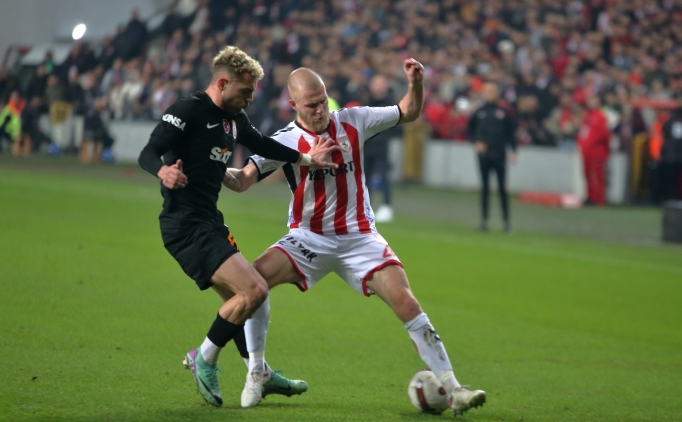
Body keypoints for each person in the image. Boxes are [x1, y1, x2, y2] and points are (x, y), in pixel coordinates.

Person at [222, 62, 487, 416]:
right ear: (293, 105)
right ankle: (257, 371)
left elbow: (408, 111)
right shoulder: (284, 141)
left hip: (360, 237)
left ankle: (455, 390)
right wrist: (211, 166)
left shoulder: (354, 119)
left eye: (323, 101)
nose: (320, 110)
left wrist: (415, 83)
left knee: (407, 302)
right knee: (253, 284)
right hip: (308, 238)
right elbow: (242, 180)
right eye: (311, 105)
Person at [137, 46, 339, 408]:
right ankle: (203, 358)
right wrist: (163, 171)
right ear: (222, 83)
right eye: (245, 91)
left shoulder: (234, 119)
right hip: (184, 224)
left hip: (209, 221)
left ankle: (259, 372)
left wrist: (307, 159)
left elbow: (263, 144)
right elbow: (148, 152)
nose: (250, 98)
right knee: (255, 290)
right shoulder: (188, 109)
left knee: (239, 301)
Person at [467, 82, 517, 233]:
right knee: (485, 188)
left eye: (492, 91)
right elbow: (470, 130)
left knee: (502, 189)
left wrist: (513, 151)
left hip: (500, 153)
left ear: (497, 93)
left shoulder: (504, 111)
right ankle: (484, 221)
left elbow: (511, 132)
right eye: (487, 91)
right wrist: (476, 142)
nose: (490, 94)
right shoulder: (479, 111)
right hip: (484, 154)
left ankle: (506, 222)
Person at [364, 74, 398, 222]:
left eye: (380, 84)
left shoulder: (390, 104)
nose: (377, 87)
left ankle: (386, 206)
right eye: (375, 84)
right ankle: (366, 207)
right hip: (366, 146)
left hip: (381, 147)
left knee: (383, 176)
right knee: (365, 179)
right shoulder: (367, 103)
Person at [577, 96, 610, 206]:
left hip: (597, 151)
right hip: (586, 152)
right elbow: (582, 133)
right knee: (587, 174)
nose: (591, 102)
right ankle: (590, 197)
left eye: (593, 100)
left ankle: (599, 200)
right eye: (590, 100)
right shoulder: (586, 116)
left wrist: (605, 151)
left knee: (597, 176)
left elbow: (605, 135)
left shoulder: (601, 116)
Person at [658, 95, 682, 201]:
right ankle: (669, 198)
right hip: (672, 154)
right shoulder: (671, 117)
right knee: (670, 178)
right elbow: (665, 133)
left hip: (677, 152)